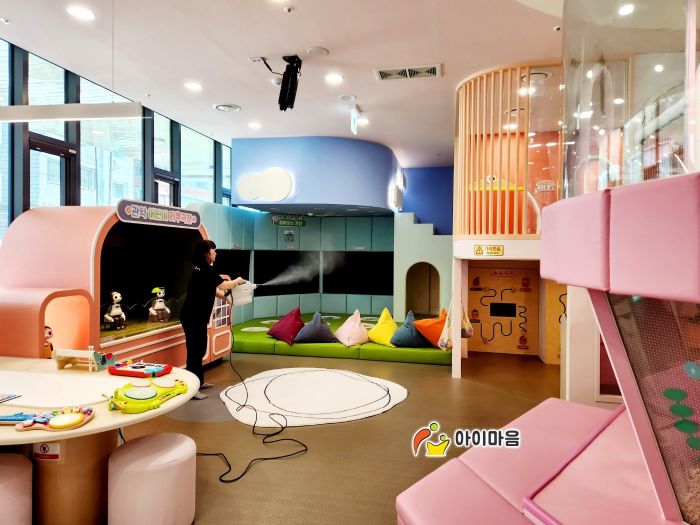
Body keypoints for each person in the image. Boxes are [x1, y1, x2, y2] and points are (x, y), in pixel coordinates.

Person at [180, 240, 245, 400]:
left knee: (200, 349)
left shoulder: (202, 269)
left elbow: (214, 290)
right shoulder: (205, 269)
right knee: (195, 352)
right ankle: (192, 389)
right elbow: (225, 285)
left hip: (197, 317)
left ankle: (199, 381)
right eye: (213, 251)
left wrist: (225, 297)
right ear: (206, 253)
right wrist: (237, 281)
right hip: (193, 318)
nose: (216, 253)